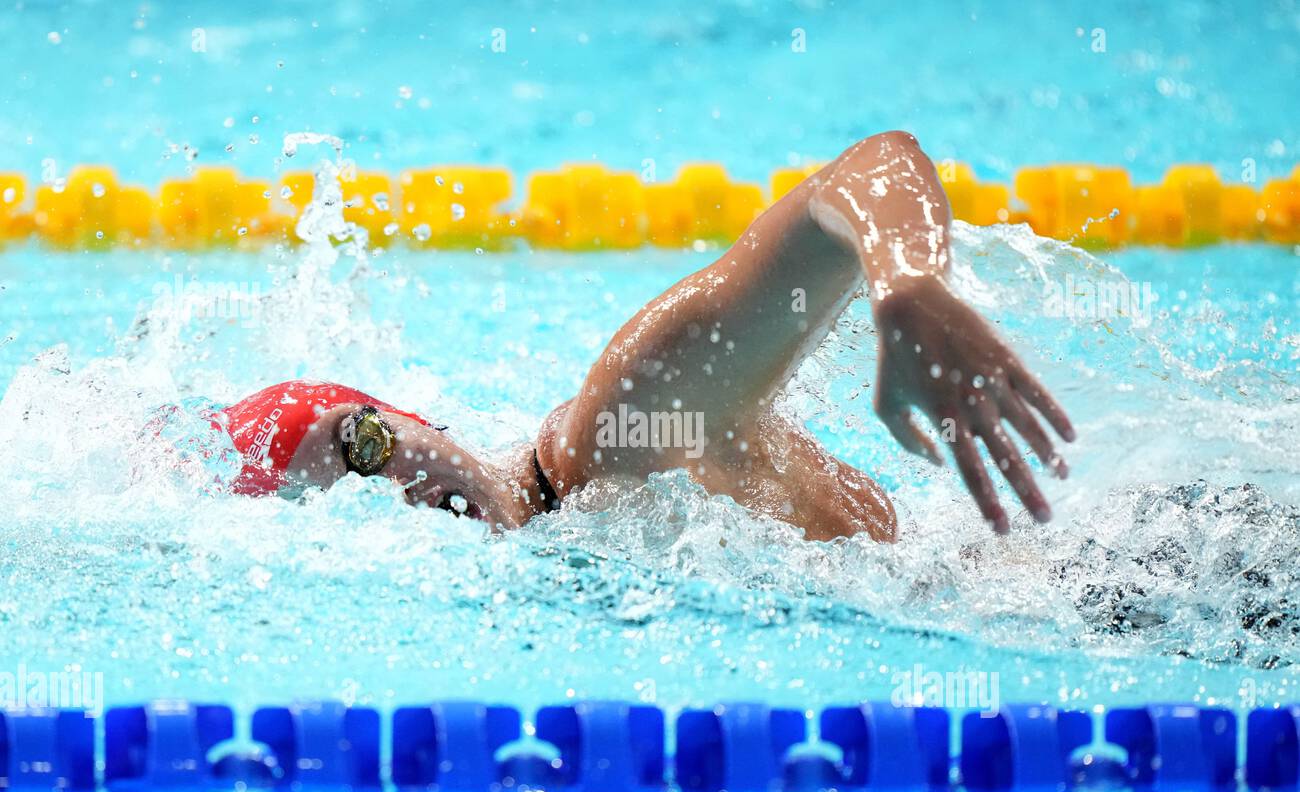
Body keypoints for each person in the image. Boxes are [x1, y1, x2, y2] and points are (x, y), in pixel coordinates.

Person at [219, 131, 1075, 542]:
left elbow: (876, 167)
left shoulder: (610, 436)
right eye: (341, 511)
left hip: (1126, 589)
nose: (393, 495)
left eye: (365, 448)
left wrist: (908, 286)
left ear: (410, 420)